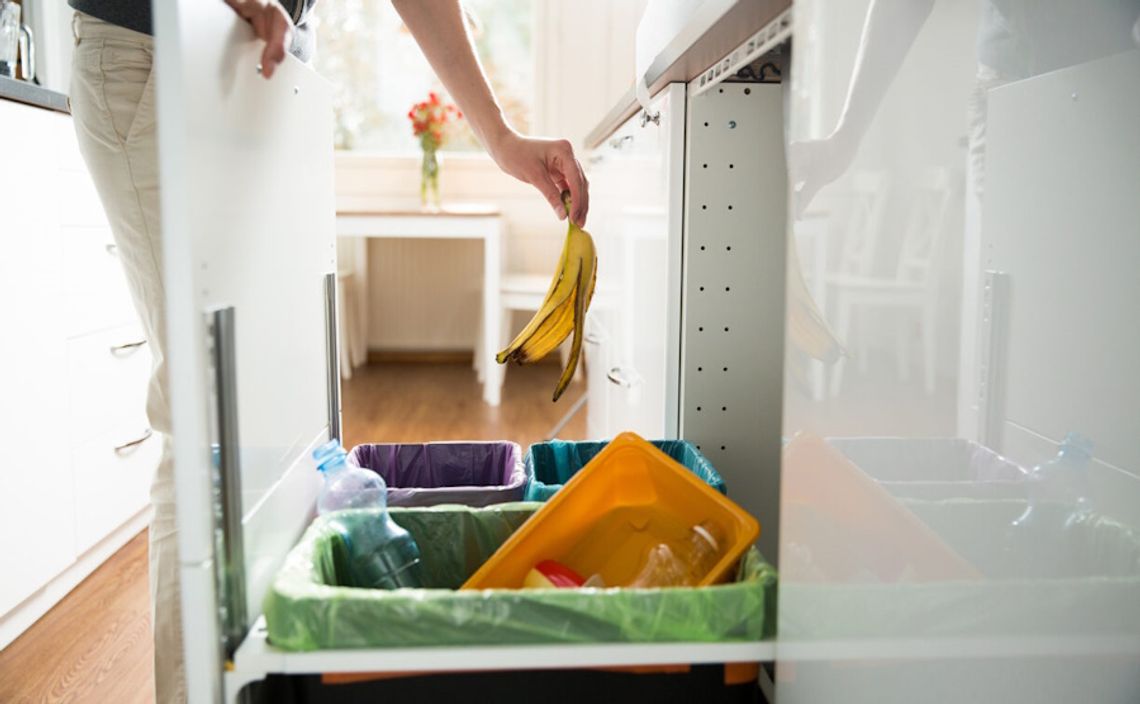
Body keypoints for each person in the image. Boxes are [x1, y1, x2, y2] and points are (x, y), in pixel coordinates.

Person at [67, 1, 591, 701]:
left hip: (270, 71)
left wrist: (496, 135)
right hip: (160, 45)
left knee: (279, 421)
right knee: (208, 424)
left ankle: (270, 678)